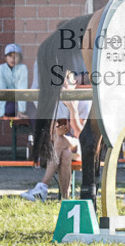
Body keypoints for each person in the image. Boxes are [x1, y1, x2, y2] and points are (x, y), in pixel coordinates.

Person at [20, 70, 91, 201]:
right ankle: (65, 199)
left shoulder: (83, 101)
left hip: (81, 145)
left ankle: (42, 187)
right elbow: (51, 134)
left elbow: (81, 134)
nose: (61, 90)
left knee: (61, 141)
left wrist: (73, 110)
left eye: (65, 85)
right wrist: (56, 133)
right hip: (61, 148)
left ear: (73, 83)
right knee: (65, 153)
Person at [0, 43, 29, 117]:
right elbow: (1, 90)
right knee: (10, 111)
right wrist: (1, 111)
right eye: (10, 56)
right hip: (9, 100)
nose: (12, 59)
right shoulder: (1, 69)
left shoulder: (22, 68)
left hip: (22, 100)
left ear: (20, 58)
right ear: (6, 58)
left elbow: (22, 89)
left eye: (16, 56)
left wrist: (21, 110)